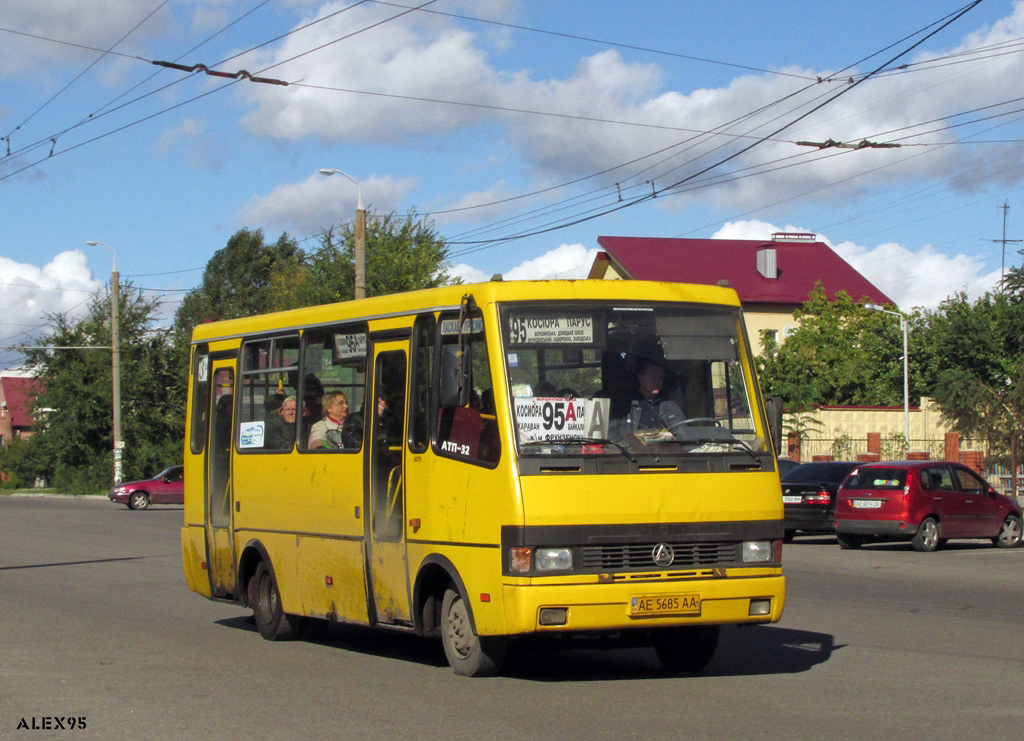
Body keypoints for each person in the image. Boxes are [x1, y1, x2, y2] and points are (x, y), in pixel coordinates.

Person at [618, 357, 686, 437]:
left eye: (660, 377)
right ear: (641, 378)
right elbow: (615, 436)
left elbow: (684, 436)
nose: (657, 381)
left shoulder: (671, 407)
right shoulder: (626, 407)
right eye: (653, 376)